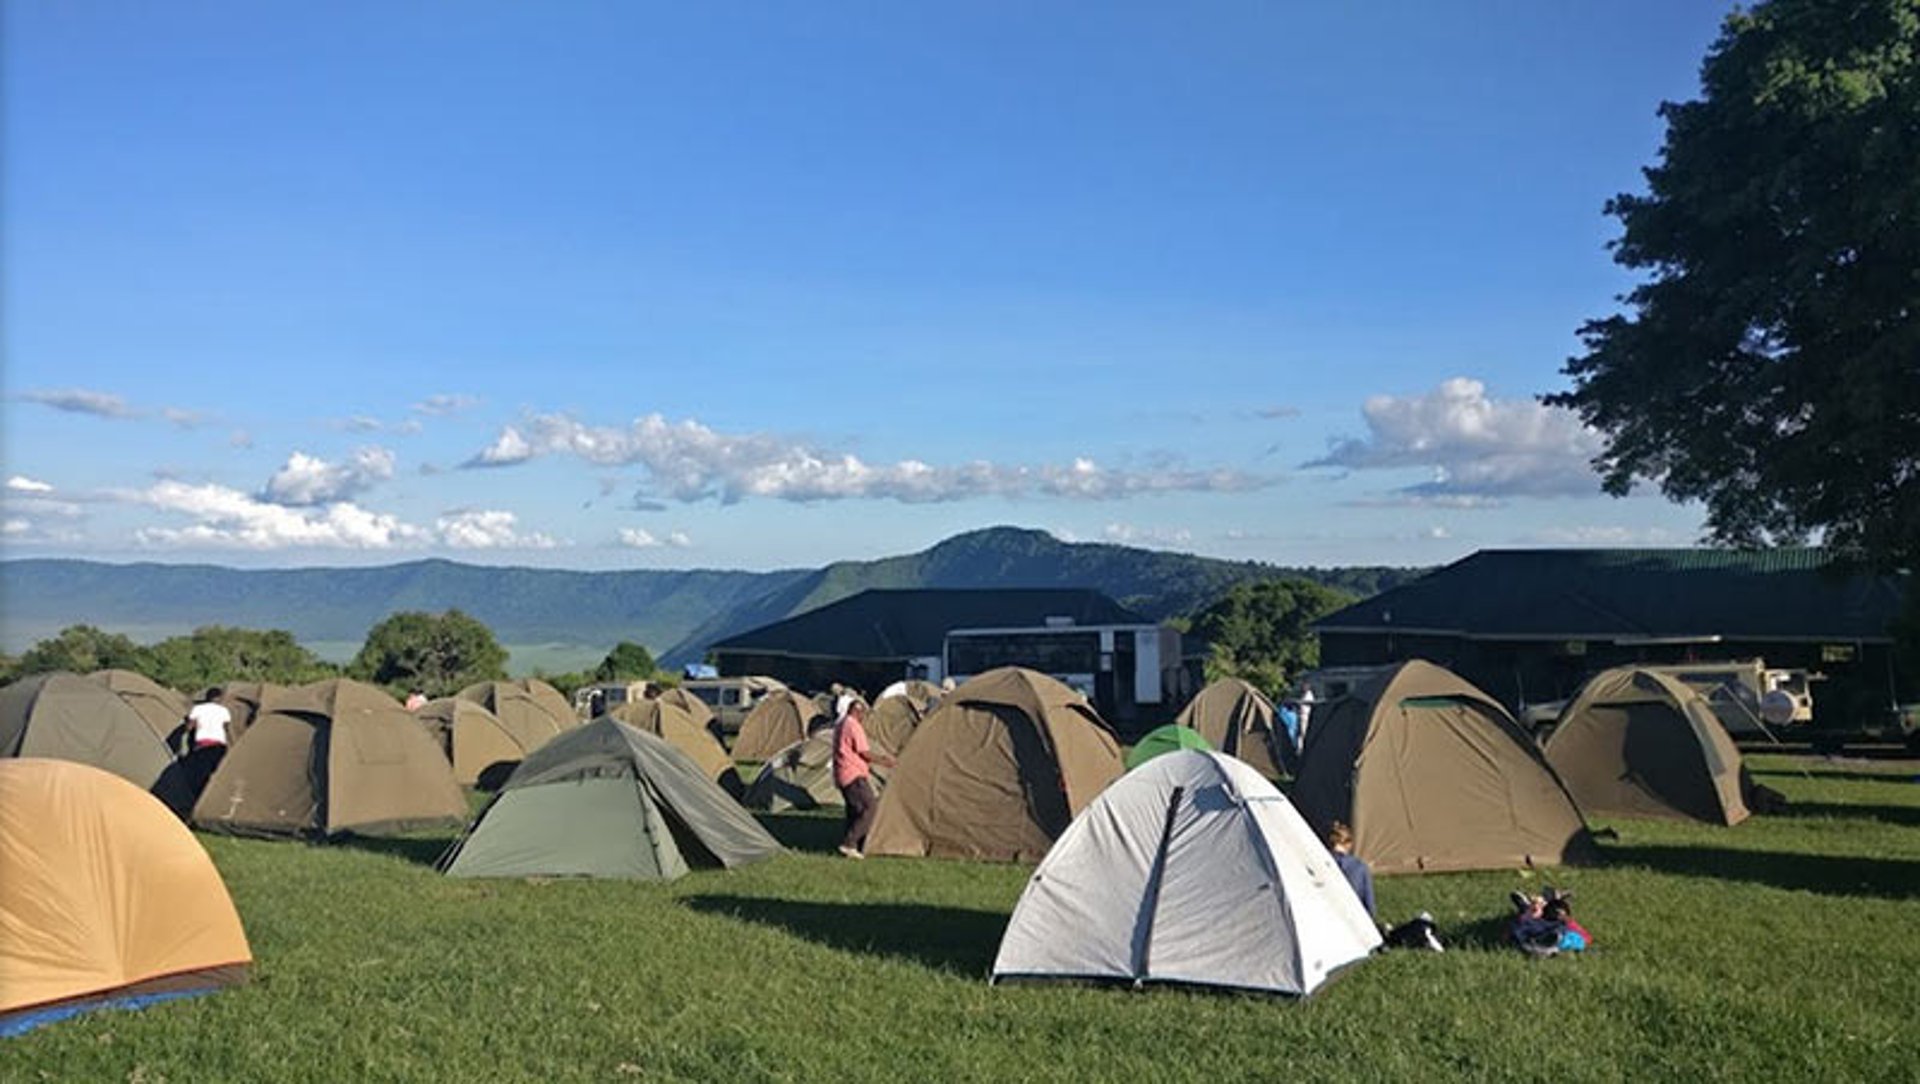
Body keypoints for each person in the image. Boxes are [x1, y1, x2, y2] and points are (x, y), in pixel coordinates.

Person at [832, 698, 894, 859]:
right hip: (854, 774)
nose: (864, 717)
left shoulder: (841, 724)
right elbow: (864, 752)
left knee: (855, 812)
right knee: (870, 807)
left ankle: (855, 847)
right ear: (857, 712)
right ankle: (849, 843)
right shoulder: (853, 725)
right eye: (863, 713)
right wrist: (884, 761)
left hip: (841, 774)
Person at [1327, 821, 1374, 918]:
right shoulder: (1360, 867)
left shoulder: (1321, 862)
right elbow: (1369, 903)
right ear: (1349, 844)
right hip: (1355, 918)